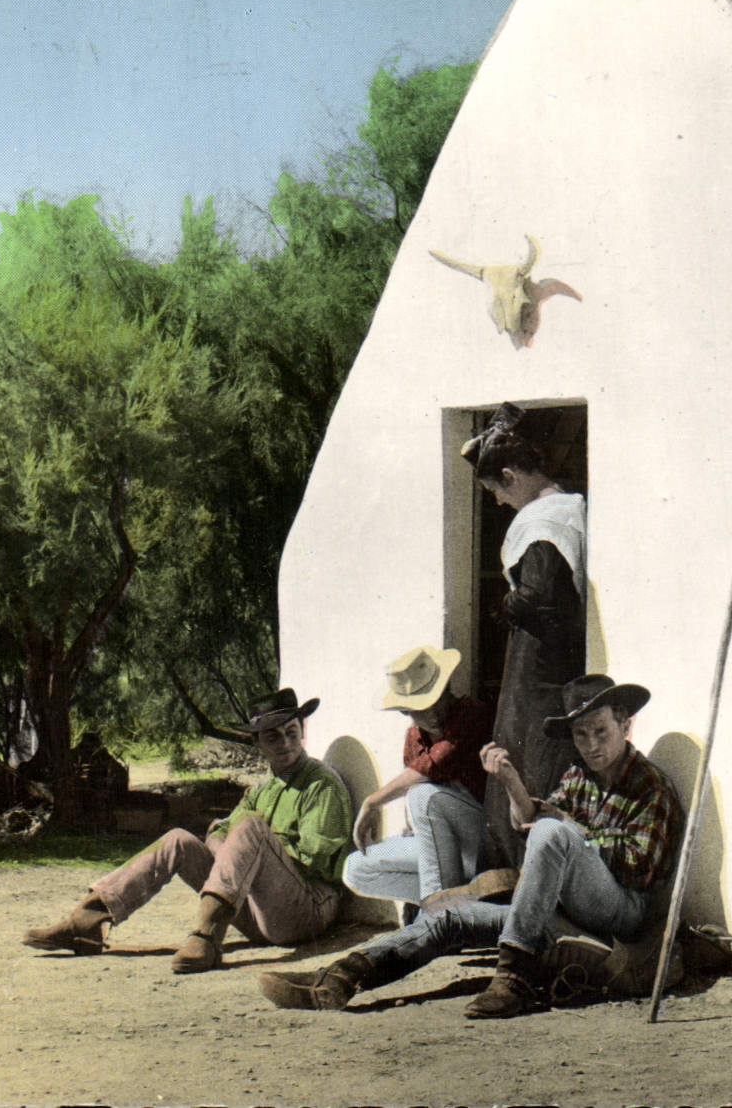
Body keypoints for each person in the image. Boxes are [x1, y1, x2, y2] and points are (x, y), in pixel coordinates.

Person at [257, 673, 683, 1018]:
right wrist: (512, 782)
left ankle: (513, 979)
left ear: (626, 726)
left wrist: (571, 833)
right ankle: (341, 975)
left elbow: (636, 867)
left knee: (555, 835)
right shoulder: (578, 776)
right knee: (450, 919)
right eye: (581, 734)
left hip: (620, 912)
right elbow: (530, 822)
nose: (591, 744)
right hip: (557, 912)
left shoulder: (650, 786)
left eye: (601, 731)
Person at [22, 689, 353, 974]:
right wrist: (233, 850)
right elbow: (219, 831)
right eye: (272, 737)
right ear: (257, 743)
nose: (285, 743)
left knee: (250, 828)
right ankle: (87, 922)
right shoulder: (263, 791)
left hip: (306, 911)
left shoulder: (321, 785)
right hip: (257, 910)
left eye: (291, 732)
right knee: (178, 839)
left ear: (302, 731)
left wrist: (248, 850)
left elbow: (313, 864)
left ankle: (207, 936)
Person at [461, 404, 587, 867]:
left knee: (528, 753)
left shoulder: (544, 522)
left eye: (496, 489)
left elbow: (537, 595)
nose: (498, 501)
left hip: (540, 665)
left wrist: (506, 605)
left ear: (512, 475)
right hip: (551, 658)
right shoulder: (568, 509)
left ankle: (521, 867)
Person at [341, 645, 492, 907]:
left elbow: (432, 766)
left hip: (479, 843)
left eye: (436, 701)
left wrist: (372, 802)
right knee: (356, 868)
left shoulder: (471, 714)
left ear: (446, 691)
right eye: (420, 708)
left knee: (424, 794)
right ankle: (459, 905)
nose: (432, 713)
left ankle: (438, 913)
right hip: (443, 853)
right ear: (405, 710)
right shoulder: (413, 738)